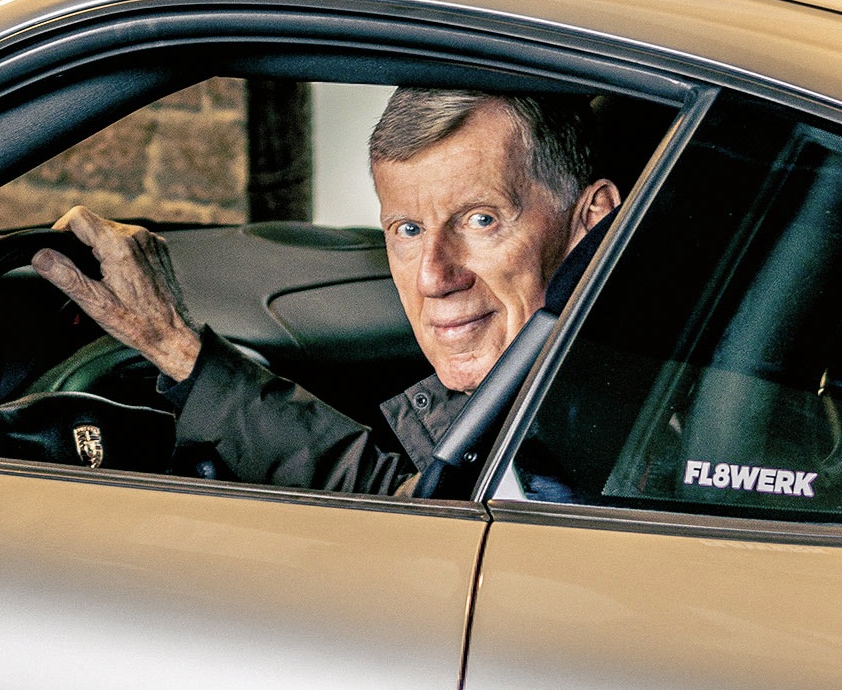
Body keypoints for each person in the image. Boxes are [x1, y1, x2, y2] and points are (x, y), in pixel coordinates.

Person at [31, 89, 624, 496]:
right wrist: (177, 348)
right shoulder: (542, 400)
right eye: (408, 231)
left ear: (590, 219)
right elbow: (407, 506)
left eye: (480, 220)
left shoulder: (610, 438)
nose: (433, 277)